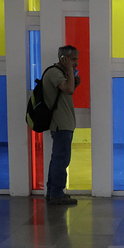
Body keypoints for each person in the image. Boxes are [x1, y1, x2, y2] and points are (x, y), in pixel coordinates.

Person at [44, 45, 81, 205]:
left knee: (58, 158)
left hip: (64, 123)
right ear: (63, 59)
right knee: (61, 159)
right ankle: (56, 194)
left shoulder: (61, 74)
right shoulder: (54, 73)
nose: (76, 63)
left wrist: (72, 76)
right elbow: (69, 90)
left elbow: (67, 90)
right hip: (61, 124)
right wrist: (70, 72)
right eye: (73, 59)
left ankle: (53, 191)